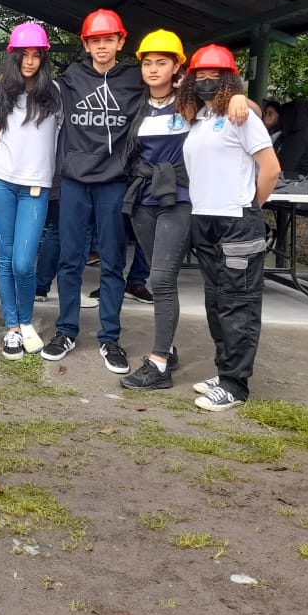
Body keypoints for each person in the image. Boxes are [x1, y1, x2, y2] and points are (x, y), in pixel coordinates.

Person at [40, 9, 144, 374]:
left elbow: (179, 89)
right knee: (70, 258)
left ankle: (109, 337)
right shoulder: (70, 78)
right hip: (75, 181)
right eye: (95, 40)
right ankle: (66, 330)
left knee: (113, 260)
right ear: (85, 44)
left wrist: (239, 97)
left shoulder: (136, 79)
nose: (101, 46)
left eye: (108, 39)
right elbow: (28, 88)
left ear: (120, 42)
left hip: (114, 181)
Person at [180, 44, 280, 411]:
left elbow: (270, 169)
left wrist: (251, 206)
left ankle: (236, 385)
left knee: (238, 303)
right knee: (216, 300)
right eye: (200, 77)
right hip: (204, 218)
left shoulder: (243, 117)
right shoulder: (201, 118)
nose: (206, 83)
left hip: (236, 220)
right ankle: (224, 373)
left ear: (230, 81)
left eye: (214, 78)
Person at [118, 30, 191, 390]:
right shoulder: (138, 105)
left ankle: (159, 364)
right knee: (159, 280)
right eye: (147, 63)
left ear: (177, 66)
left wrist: (241, 101)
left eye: (161, 62)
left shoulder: (193, 103)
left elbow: (241, 112)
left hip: (178, 199)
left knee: (161, 279)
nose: (153, 69)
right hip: (143, 200)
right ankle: (169, 346)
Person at [0, 22, 60, 360]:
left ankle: (26, 320)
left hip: (36, 185)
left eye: (36, 55)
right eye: (23, 55)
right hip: (0, 179)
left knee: (22, 261)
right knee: (5, 258)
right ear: (12, 57)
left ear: (44, 59)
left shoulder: (56, 94)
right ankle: (13, 328)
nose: (29, 61)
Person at [263, 100, 308, 179]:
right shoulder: (288, 135)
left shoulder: (298, 138)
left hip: (291, 183)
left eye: (284, 115)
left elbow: (285, 166)